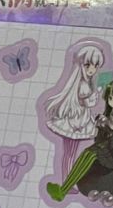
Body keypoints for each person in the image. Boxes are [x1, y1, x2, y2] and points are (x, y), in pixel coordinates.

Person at [46, 79, 113, 206]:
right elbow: (104, 135)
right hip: (108, 147)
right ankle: (63, 189)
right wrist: (102, 126)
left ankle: (64, 190)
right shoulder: (112, 113)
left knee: (91, 154)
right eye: (110, 98)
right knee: (87, 152)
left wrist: (107, 127)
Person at [43, 42, 106, 182]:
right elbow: (88, 103)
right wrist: (98, 92)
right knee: (69, 153)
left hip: (79, 119)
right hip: (75, 121)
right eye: (88, 65)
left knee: (70, 153)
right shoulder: (83, 85)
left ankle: (68, 179)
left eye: (96, 66)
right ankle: (66, 180)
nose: (92, 69)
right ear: (81, 65)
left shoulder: (86, 82)